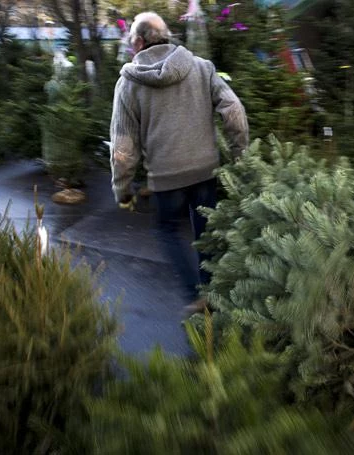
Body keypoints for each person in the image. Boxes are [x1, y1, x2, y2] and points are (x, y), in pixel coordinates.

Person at [109, 12, 248, 313]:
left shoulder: (128, 84)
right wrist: (240, 157)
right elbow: (234, 110)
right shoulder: (201, 68)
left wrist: (123, 189)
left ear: (139, 42)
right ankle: (211, 292)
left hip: (165, 178)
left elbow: (123, 146)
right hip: (205, 172)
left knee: (167, 230)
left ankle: (195, 296)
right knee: (206, 234)